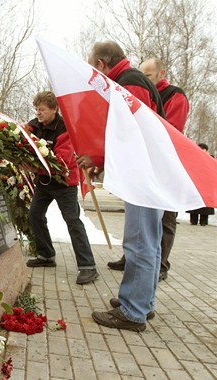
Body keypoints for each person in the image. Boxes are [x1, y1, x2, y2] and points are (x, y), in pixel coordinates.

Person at [77, 41, 166, 331]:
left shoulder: (130, 84)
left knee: (139, 243)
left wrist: (98, 157)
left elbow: (131, 135)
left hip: (143, 174)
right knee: (149, 243)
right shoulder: (133, 81)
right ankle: (142, 301)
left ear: (102, 64)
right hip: (149, 172)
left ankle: (133, 311)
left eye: (93, 67)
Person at [107, 57, 190, 282]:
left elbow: (169, 130)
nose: (144, 79)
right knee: (141, 225)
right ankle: (131, 260)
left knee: (164, 219)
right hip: (143, 165)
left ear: (162, 73)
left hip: (164, 164)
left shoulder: (175, 95)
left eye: (149, 75)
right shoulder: (141, 88)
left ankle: (160, 265)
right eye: (142, 74)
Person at [23, 91, 99, 285]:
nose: (38, 113)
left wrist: (34, 166)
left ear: (54, 109)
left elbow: (61, 160)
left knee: (72, 221)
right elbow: (22, 143)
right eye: (37, 109)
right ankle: (46, 255)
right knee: (35, 215)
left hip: (64, 182)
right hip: (44, 182)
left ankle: (88, 266)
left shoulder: (65, 128)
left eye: (43, 110)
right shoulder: (33, 125)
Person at [187, 143, 215, 226]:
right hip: (196, 183)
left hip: (207, 184)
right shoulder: (193, 158)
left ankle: (203, 221)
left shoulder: (210, 159)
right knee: (194, 202)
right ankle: (193, 220)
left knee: (205, 204)